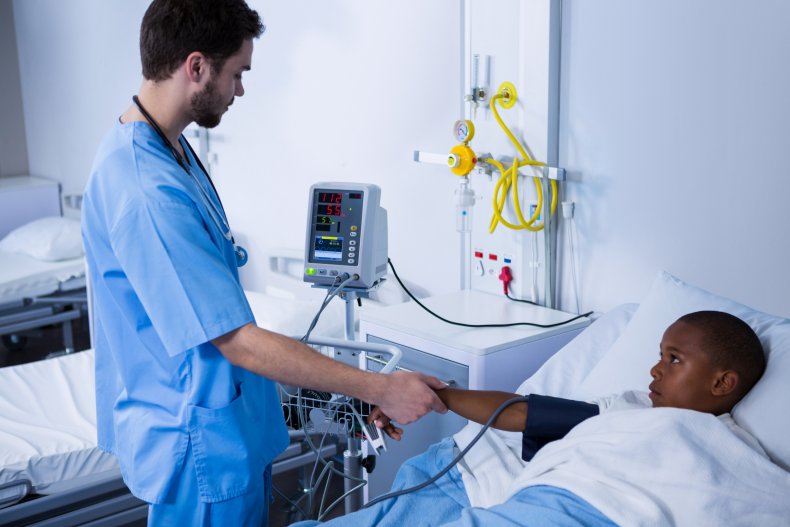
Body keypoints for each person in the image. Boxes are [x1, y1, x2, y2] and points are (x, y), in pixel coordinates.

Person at [80, 1, 446, 525]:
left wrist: (349, 398)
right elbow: (236, 339)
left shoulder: (171, 150)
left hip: (223, 429)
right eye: (237, 73)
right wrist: (378, 386)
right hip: (198, 451)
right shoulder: (145, 189)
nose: (240, 91)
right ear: (197, 67)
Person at [294, 310, 767, 526]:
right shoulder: (627, 407)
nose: (655, 368)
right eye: (660, 354)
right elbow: (524, 413)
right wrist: (438, 395)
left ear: (723, 384)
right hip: (554, 490)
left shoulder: (732, 454)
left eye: (675, 359)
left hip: (590, 510)